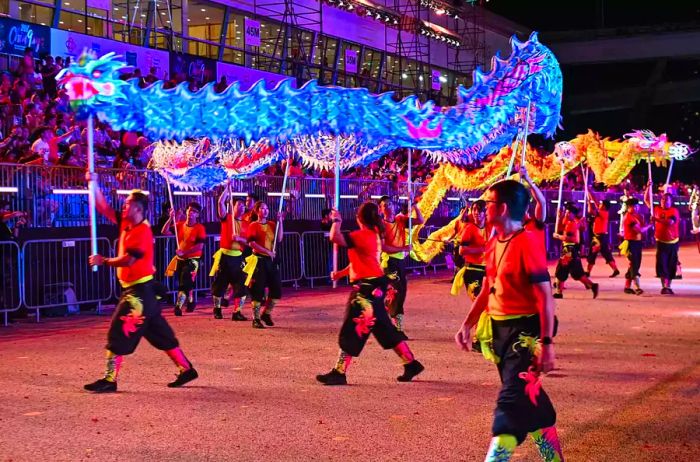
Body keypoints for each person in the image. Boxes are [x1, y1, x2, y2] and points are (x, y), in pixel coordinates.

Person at [455, 180, 563, 462]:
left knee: (509, 404)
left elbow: (545, 297)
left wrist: (548, 344)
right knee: (530, 400)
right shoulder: (493, 241)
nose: (483, 208)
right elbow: (490, 285)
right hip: (500, 333)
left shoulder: (527, 243)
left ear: (502, 208)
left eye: (488, 203)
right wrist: (468, 323)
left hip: (526, 334)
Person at [84, 173, 198, 393]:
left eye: (128, 204)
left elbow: (129, 259)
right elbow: (103, 207)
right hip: (143, 292)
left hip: (138, 294)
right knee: (160, 334)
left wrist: (104, 260)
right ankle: (186, 369)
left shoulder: (142, 231)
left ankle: (110, 379)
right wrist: (94, 183)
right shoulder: (127, 222)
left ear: (138, 208)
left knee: (119, 330)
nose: (124, 206)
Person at [316, 204, 424, 386]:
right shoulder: (373, 236)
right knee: (385, 330)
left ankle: (339, 372)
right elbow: (361, 262)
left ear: (360, 218)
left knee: (354, 328)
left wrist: (336, 219)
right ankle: (411, 363)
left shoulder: (362, 235)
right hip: (373, 286)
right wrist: (340, 274)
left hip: (366, 291)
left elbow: (335, 237)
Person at [378, 195, 424, 332]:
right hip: (389, 262)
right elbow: (384, 247)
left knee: (401, 291)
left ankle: (384, 309)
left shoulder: (400, 220)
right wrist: (403, 248)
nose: (388, 207)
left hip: (400, 261)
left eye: (389, 204)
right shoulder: (381, 225)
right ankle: (396, 321)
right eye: (384, 205)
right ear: (381, 209)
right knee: (397, 290)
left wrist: (414, 206)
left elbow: (420, 220)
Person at [211, 187, 249, 320]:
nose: (242, 207)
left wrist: (240, 239)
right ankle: (217, 309)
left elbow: (249, 242)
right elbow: (220, 203)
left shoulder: (246, 224)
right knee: (220, 285)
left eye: (244, 206)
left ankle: (237, 312)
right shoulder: (226, 218)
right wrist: (228, 188)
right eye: (239, 205)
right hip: (225, 258)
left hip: (238, 259)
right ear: (232, 206)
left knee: (241, 286)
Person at [162, 202, 207, 316]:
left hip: (193, 260)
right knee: (187, 282)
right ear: (186, 211)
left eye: (194, 212)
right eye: (190, 210)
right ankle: (191, 301)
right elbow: (164, 231)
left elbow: (199, 246)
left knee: (184, 281)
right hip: (180, 259)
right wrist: (170, 218)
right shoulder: (180, 225)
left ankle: (178, 306)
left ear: (197, 215)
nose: (191, 213)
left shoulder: (199, 228)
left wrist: (184, 252)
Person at [245, 201, 283, 328]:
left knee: (276, 290)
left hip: (271, 262)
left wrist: (280, 222)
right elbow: (252, 244)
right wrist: (267, 251)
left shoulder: (272, 224)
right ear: (257, 211)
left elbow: (279, 238)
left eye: (266, 208)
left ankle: (266, 313)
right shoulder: (253, 225)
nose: (265, 210)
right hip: (259, 261)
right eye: (262, 208)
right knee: (258, 290)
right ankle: (255, 319)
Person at [552, 205, 599, 299]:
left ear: (573, 215)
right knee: (576, 273)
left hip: (569, 250)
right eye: (566, 212)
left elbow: (570, 239)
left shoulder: (572, 224)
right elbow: (561, 226)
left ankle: (559, 292)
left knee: (561, 270)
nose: (567, 214)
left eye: (569, 213)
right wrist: (559, 215)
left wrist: (557, 236)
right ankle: (592, 285)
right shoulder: (570, 222)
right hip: (570, 250)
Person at [451, 200, 489, 301]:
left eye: (479, 210)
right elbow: (462, 251)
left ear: (486, 212)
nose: (476, 212)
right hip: (473, 270)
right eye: (474, 209)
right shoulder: (469, 229)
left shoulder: (491, 227)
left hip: (489, 271)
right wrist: (482, 249)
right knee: (479, 302)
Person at [646, 189, 680, 294]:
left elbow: (670, 222)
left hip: (672, 243)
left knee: (670, 265)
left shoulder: (674, 211)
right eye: (663, 199)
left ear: (671, 201)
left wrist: (656, 220)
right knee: (662, 265)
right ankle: (664, 286)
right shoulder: (656, 209)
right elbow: (646, 200)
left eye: (667, 200)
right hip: (660, 242)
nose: (664, 201)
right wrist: (648, 187)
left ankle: (668, 286)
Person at [620, 198, 652, 295]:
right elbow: (639, 230)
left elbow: (643, 227)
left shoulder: (638, 216)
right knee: (634, 265)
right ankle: (637, 287)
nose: (637, 207)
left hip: (637, 243)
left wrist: (650, 222)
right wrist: (649, 225)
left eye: (637, 205)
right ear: (629, 207)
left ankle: (627, 287)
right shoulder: (628, 217)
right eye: (634, 206)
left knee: (634, 265)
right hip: (630, 243)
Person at [585, 196, 620, 277]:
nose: (599, 204)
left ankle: (587, 272)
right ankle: (615, 270)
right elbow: (596, 201)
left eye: (601, 204)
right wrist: (590, 194)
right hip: (600, 237)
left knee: (592, 254)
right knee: (606, 254)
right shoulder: (602, 211)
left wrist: (589, 203)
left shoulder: (603, 213)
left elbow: (590, 211)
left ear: (604, 206)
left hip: (598, 238)